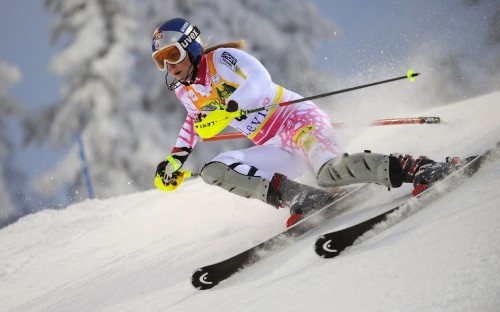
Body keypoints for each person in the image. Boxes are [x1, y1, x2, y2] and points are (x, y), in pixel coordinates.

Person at [151, 18, 459, 227]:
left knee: (327, 172)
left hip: (299, 122)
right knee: (214, 169)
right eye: (160, 61)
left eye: (172, 55)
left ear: (191, 46)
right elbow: (194, 121)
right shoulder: (184, 89)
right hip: (273, 145)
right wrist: (175, 160)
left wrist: (232, 106)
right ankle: (300, 196)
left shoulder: (222, 60)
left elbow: (260, 80)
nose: (169, 66)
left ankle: (418, 167)